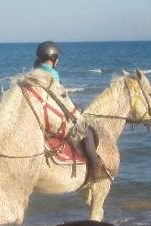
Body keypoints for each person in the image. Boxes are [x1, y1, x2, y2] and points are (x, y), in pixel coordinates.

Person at [32, 41, 106, 181]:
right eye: (57, 57)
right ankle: (96, 168)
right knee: (86, 132)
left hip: (41, 113)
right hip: (52, 114)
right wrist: (73, 109)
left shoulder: (35, 72)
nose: (58, 60)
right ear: (52, 58)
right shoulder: (52, 74)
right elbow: (57, 100)